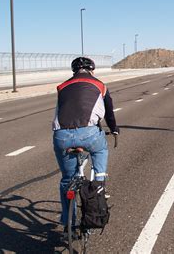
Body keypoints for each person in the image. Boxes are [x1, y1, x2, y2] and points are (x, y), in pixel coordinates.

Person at [52, 56, 119, 229]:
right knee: (100, 150)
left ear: (73, 71)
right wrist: (114, 129)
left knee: (67, 179)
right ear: (92, 70)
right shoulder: (100, 85)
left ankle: (69, 221)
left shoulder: (62, 87)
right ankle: (99, 182)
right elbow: (109, 113)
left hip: (62, 136)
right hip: (88, 134)